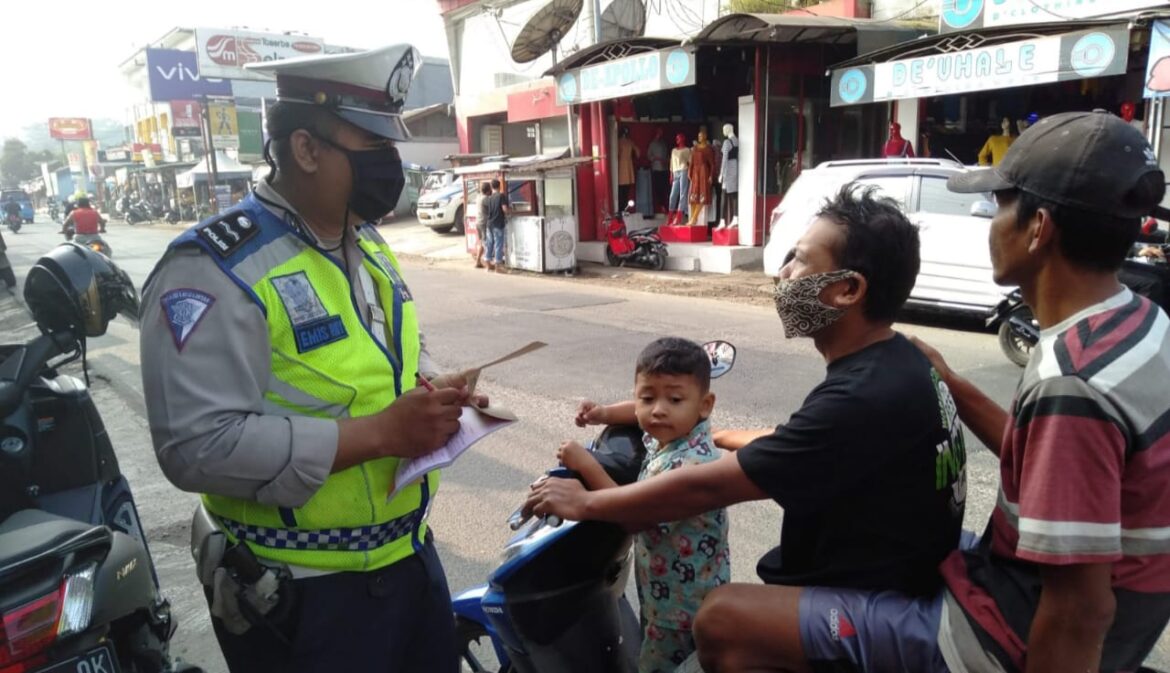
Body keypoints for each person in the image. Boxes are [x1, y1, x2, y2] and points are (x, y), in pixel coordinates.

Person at [528, 184, 969, 671]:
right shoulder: (897, 360)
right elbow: (809, 445)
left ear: (848, 289)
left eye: (800, 262)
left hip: (880, 603)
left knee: (721, 618)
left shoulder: (859, 396)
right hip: (897, 578)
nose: (783, 275)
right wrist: (719, 435)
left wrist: (586, 500)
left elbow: (704, 488)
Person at [140, 44, 477, 673]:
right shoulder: (217, 268)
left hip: (407, 561)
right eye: (373, 144)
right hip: (301, 594)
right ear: (306, 148)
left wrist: (434, 391)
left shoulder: (367, 244)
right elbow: (194, 446)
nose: (391, 164)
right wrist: (380, 434)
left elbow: (384, 363)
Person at [914, 110, 1170, 673]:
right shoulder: (1141, 321)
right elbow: (1059, 468)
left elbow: (1080, 609)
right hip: (1115, 612)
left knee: (731, 622)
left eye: (1001, 204)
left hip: (1008, 633)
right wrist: (950, 382)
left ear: (1038, 228)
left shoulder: (1073, 381)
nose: (992, 220)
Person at [560, 337, 729, 673]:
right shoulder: (678, 430)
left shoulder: (688, 463)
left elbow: (633, 513)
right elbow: (640, 413)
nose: (658, 409)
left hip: (679, 610)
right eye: (648, 397)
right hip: (670, 590)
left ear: (705, 404)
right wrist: (602, 413)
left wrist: (586, 465)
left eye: (675, 398)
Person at [483, 177, 510, 272]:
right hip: (498, 223)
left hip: (489, 224)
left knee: (489, 243)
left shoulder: (489, 197)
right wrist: (511, 212)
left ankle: (487, 265)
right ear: (500, 186)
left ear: (492, 187)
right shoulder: (501, 196)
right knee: (498, 244)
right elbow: (504, 209)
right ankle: (498, 266)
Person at [474, 180, 492, 269]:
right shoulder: (486, 199)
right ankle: (488, 263)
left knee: (481, 242)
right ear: (489, 190)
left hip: (478, 222)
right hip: (484, 223)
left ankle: (478, 261)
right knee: (486, 243)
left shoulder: (478, 197)